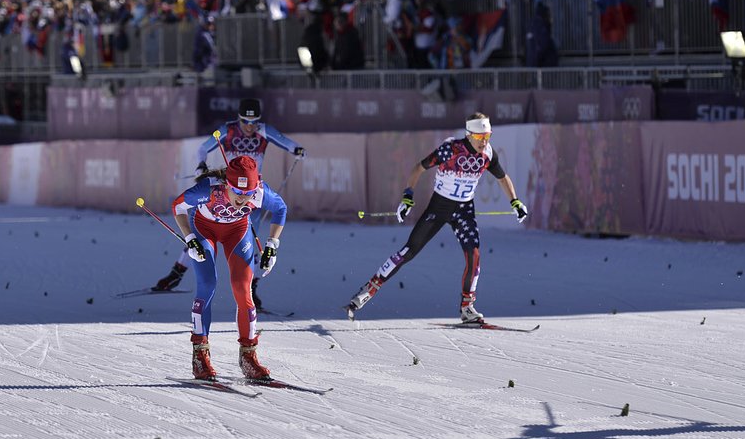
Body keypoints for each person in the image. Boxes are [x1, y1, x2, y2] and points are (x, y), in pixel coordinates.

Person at [345, 113, 529, 323]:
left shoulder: (488, 153)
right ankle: (367, 291)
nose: (484, 141)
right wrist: (407, 197)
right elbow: (419, 168)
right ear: (469, 135)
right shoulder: (450, 149)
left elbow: (502, 178)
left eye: (487, 136)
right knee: (409, 251)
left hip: (464, 210)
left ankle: (467, 307)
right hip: (439, 207)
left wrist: (515, 201)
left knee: (474, 257)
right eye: (479, 137)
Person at [152, 97, 304, 311]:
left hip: (250, 196)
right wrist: (201, 164)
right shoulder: (228, 130)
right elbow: (202, 149)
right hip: (227, 191)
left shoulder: (264, 131)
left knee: (251, 242)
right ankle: (176, 274)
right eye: (245, 122)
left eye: (254, 122)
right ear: (238, 118)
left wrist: (297, 150)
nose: (250, 127)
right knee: (202, 234)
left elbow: (287, 143)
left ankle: (251, 289)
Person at [172, 155, 288, 380]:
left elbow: (281, 209)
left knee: (243, 288)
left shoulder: (259, 192)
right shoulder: (208, 190)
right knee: (207, 284)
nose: (243, 199)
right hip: (205, 230)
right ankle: (200, 355)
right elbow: (178, 206)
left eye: (248, 194)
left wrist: (272, 244)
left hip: (237, 231)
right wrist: (189, 238)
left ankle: (248, 356)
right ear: (227, 184)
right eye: (238, 192)